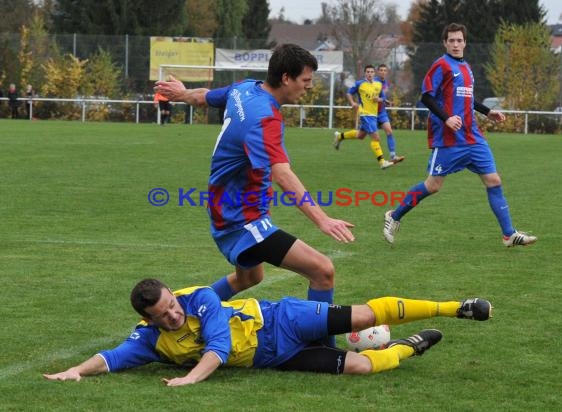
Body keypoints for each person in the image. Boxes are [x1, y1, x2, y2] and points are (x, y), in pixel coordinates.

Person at [154, 44, 355, 347]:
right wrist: (322, 219)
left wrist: (182, 94)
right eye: (306, 81)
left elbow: (204, 97)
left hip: (229, 211)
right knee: (322, 270)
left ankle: (182, 313)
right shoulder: (265, 119)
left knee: (249, 278)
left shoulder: (245, 89)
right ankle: (324, 349)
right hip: (242, 220)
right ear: (286, 78)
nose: (308, 88)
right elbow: (282, 174)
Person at [43, 278, 493, 386]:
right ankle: (411, 348)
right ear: (151, 320)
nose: (174, 316)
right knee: (358, 367)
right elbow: (114, 356)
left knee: (360, 317)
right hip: (274, 357)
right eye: (164, 315)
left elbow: (218, 346)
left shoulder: (200, 297)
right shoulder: (149, 339)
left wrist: (188, 379)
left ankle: (458, 307)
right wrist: (76, 371)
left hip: (283, 319)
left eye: (172, 306)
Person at [383, 23, 537, 248]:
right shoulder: (441, 65)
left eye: (459, 40)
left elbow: (466, 99)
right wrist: (446, 118)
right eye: (451, 40)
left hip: (472, 136)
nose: (456, 44)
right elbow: (426, 97)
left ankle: (509, 234)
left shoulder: (466, 67)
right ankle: (394, 216)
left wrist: (487, 112)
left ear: (465, 42)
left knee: (494, 181)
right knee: (433, 186)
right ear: (445, 43)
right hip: (448, 138)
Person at [333, 64, 405, 164]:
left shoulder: (381, 84)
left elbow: (381, 97)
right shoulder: (365, 83)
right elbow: (351, 92)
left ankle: (393, 156)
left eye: (385, 70)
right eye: (381, 70)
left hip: (380, 112)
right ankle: (382, 162)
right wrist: (353, 103)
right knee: (368, 137)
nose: (383, 72)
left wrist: (383, 100)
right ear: (377, 72)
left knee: (386, 132)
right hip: (367, 113)